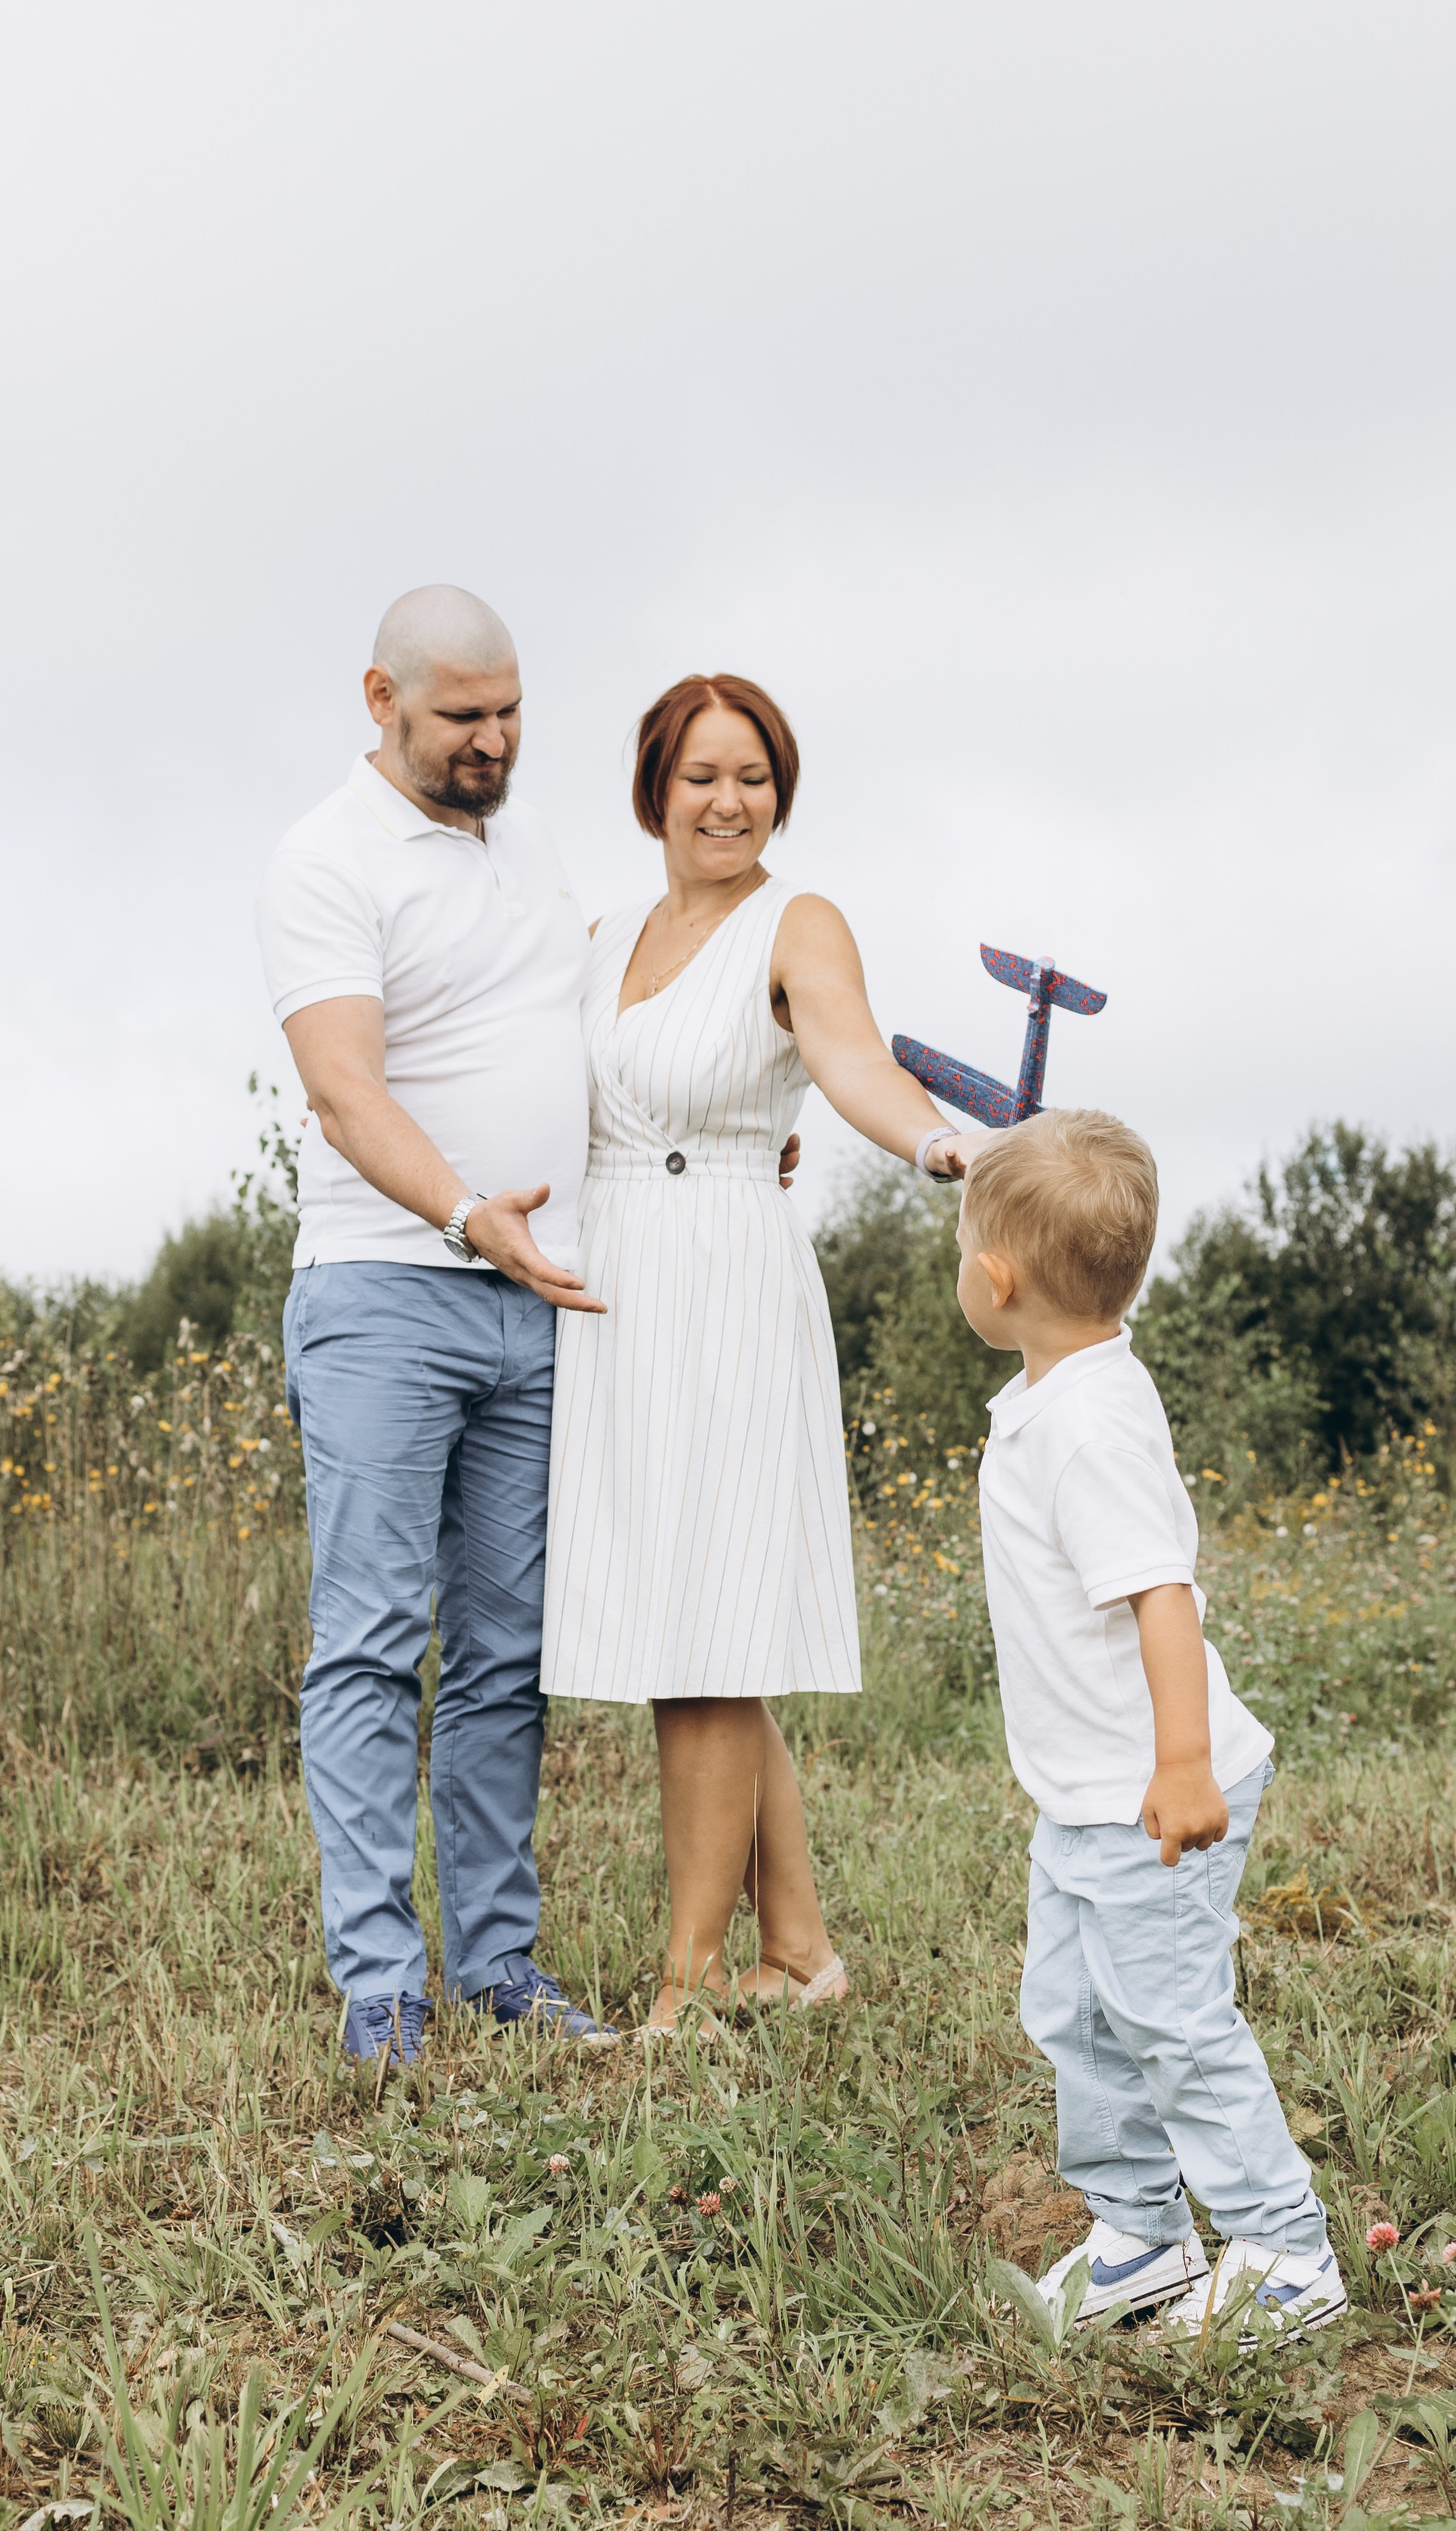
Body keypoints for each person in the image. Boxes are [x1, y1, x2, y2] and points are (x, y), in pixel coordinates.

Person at [542, 672, 975, 2031]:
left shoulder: (801, 920)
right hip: (615, 1287)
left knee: (712, 1637)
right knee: (686, 1624)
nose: (730, 802)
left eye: (756, 777)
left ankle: (691, 1981)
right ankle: (799, 1950)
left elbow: (850, 1060)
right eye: (703, 777)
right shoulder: (606, 933)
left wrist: (937, 1143)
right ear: (653, 790)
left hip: (727, 1274)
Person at [255, 584, 633, 2066]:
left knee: (501, 1654)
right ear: (380, 700)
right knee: (365, 1645)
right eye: (461, 716)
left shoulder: (531, 851)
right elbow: (346, 1090)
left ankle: (493, 1968)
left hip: (531, 1306)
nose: (492, 741)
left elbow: (588, 1025)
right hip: (381, 1298)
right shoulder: (323, 859)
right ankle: (379, 1990)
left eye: (510, 711)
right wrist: (469, 1211)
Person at [956, 1109, 1344, 2335]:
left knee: (1173, 2020)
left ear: (996, 1277)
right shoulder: (1057, 1389)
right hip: (1085, 1796)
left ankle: (1287, 2253)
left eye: (965, 1244)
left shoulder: (1090, 1429)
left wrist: (1180, 1765)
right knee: (1075, 2011)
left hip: (1156, 1798)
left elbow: (1164, 1601)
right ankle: (1144, 2237)